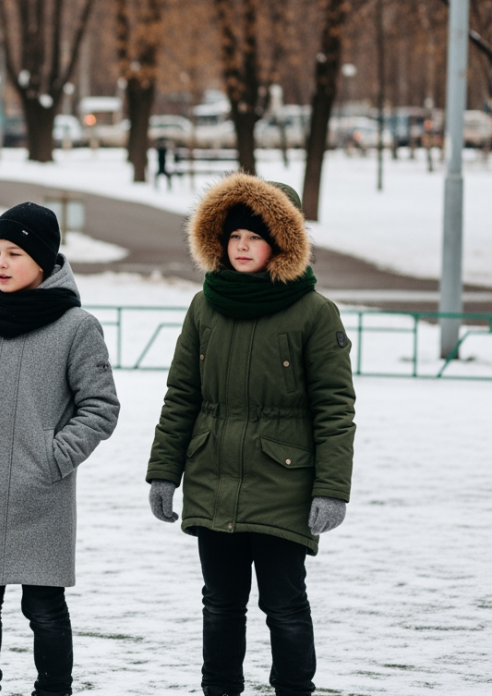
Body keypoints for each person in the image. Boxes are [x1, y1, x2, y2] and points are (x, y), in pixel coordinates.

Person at [146, 173, 355, 696]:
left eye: (254, 238)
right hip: (214, 477)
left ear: (282, 243)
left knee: (283, 606)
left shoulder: (314, 313)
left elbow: (334, 409)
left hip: (283, 485)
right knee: (219, 605)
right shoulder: (204, 306)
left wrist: (331, 488)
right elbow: (181, 397)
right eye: (235, 237)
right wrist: (164, 473)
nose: (241, 247)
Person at [0, 203, 121, 696]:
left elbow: (101, 407)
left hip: (38, 492)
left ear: (43, 259)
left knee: (43, 607)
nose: (0, 263)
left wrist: (54, 457)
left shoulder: (76, 326)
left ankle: (53, 690)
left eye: (14, 253)